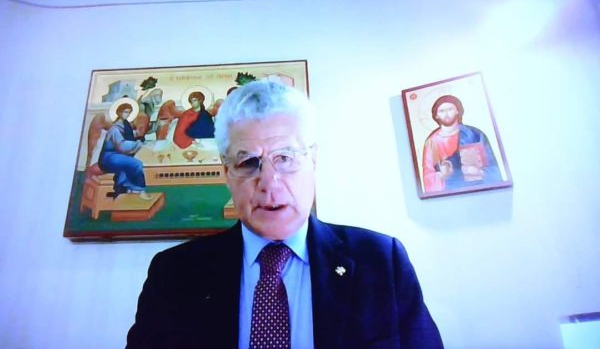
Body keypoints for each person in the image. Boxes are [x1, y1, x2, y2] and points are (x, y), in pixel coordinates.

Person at [127, 81, 443, 348]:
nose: (269, 182)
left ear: (313, 161)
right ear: (227, 174)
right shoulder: (174, 274)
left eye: (285, 158)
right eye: (248, 162)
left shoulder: (381, 261)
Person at [422, 95, 502, 193]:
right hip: (449, 193)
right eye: (442, 111)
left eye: (450, 109)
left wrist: (479, 171)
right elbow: (428, 175)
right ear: (436, 115)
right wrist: (442, 175)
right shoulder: (431, 142)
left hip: (479, 189)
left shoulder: (474, 134)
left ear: (457, 111)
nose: (446, 114)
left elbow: (494, 169)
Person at [98, 103, 149, 198]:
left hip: (118, 155)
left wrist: (137, 134)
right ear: (119, 112)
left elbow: (129, 134)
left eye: (129, 112)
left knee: (126, 165)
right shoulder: (114, 129)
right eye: (125, 112)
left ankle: (124, 190)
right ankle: (138, 190)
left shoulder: (125, 125)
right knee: (136, 164)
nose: (127, 114)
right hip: (109, 157)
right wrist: (138, 144)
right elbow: (122, 146)